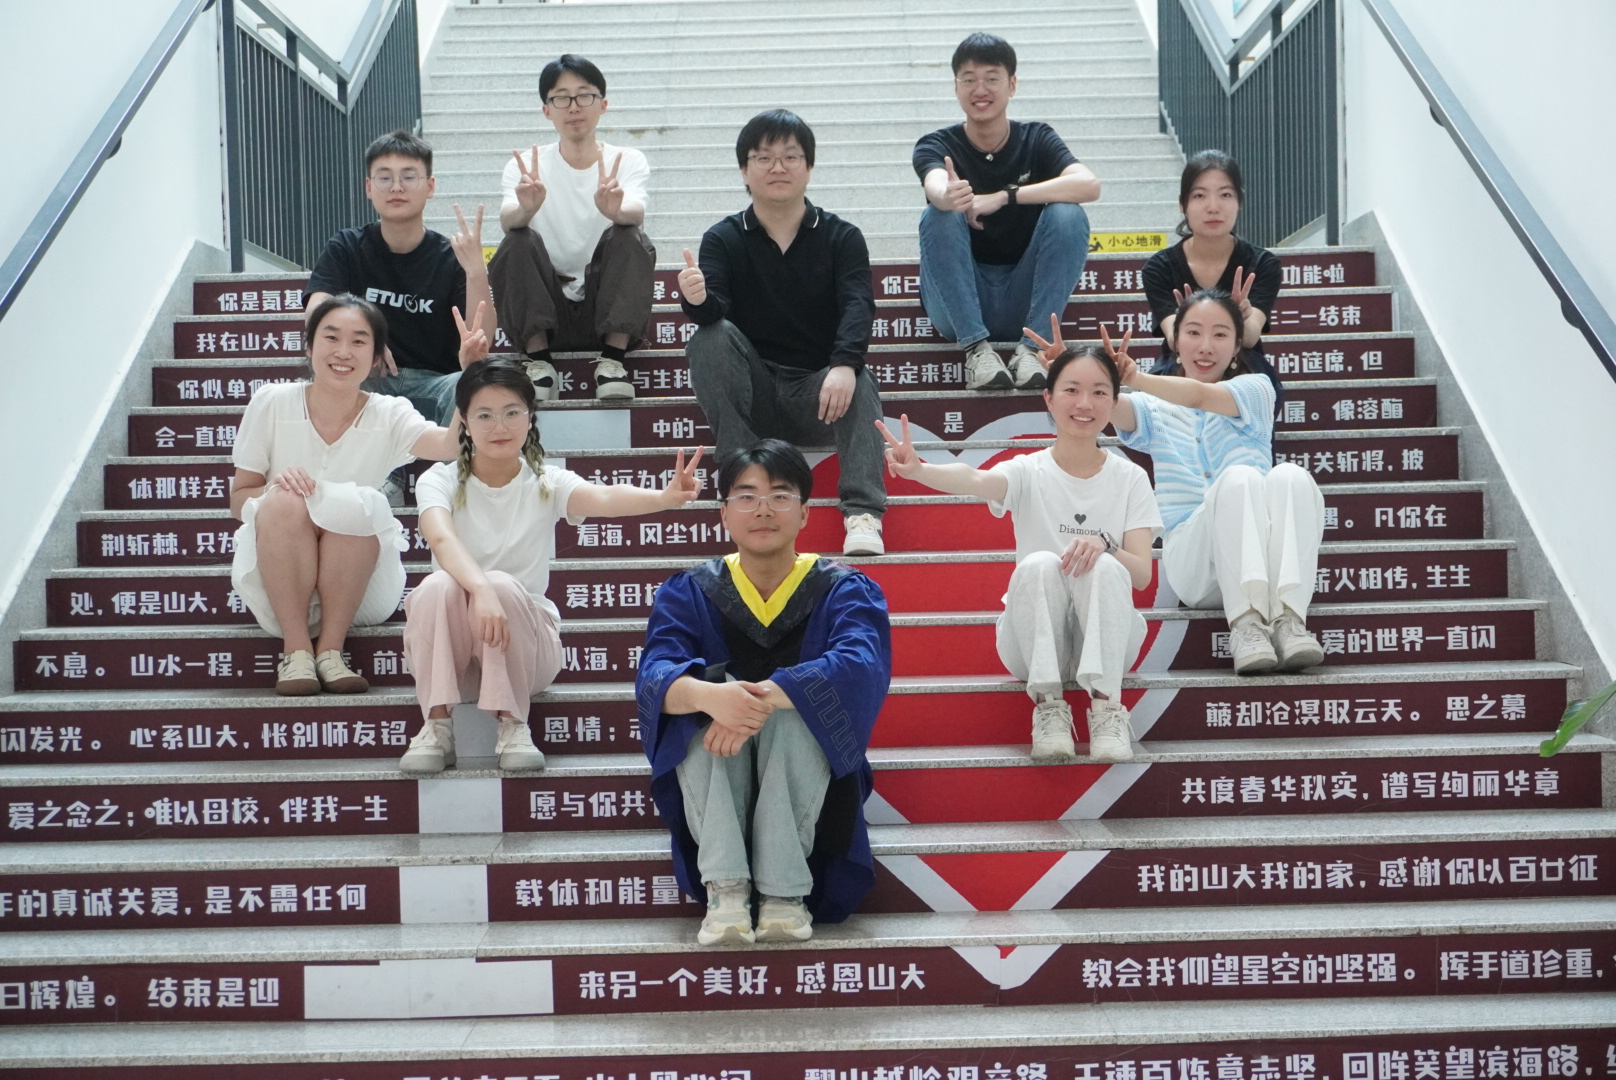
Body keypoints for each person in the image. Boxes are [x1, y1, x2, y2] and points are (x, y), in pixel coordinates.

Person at [637, 440, 892, 945]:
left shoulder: (842, 588)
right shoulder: (690, 590)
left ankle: (783, 893)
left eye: (779, 496)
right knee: (697, 706)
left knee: (801, 705)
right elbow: (655, 675)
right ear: (724, 513)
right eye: (746, 496)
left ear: (804, 513)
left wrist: (765, 698)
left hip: (810, 782)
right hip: (715, 769)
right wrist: (712, 699)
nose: (763, 510)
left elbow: (861, 664)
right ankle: (726, 889)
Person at [399, 359, 704, 773]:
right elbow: (440, 538)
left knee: (503, 586)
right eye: (484, 416)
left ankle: (513, 725)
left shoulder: (546, 480)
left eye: (511, 412)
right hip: (451, 660)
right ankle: (436, 727)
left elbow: (604, 497)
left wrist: (663, 498)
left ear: (530, 417)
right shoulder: (439, 479)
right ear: (465, 423)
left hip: (525, 653)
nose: (499, 426)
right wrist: (481, 590)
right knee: (438, 586)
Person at [877, 347, 1159, 763]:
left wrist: (1106, 544)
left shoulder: (1131, 478)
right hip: (1031, 642)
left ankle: (1107, 711)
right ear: (1048, 398)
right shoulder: (1027, 469)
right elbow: (975, 479)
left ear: (1114, 402)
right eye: (1072, 390)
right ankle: (1049, 710)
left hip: (1109, 639)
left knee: (1103, 565)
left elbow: (1141, 576)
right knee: (1041, 563)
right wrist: (920, 470)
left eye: (1100, 392)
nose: (1085, 403)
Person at [1056, 291, 1325, 675]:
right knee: (1239, 478)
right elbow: (1104, 407)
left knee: (1291, 475)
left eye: (1220, 334)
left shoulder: (1257, 390)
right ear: (1175, 342)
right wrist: (1074, 377)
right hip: (1196, 565)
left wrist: (1136, 378)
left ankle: (1289, 622)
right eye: (1194, 332)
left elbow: (1198, 396)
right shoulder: (1153, 407)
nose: (1205, 346)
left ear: (1237, 347)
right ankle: (1246, 626)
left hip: (1263, 564)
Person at [229, 294, 483, 696]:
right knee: (283, 499)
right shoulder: (272, 402)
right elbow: (239, 498)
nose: (343, 352)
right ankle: (296, 652)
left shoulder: (389, 412)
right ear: (309, 346)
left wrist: (470, 375)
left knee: (358, 504)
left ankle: (332, 651)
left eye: (359, 341)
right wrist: (277, 487)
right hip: (279, 587)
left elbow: (450, 445)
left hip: (362, 589)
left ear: (377, 356)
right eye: (331, 337)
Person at [680, 109, 887, 557]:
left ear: (808, 167)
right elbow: (715, 313)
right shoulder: (723, 238)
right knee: (708, 338)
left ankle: (863, 513)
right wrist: (696, 299)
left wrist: (844, 365)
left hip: (817, 394)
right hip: (752, 392)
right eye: (764, 157)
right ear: (744, 170)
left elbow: (858, 305)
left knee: (859, 376)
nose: (777, 167)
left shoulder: (841, 237)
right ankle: (740, 480)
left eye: (790, 157)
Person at [912, 33, 1100, 392]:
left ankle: (1032, 350)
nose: (980, 89)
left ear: (1012, 84)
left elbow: (1089, 184)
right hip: (957, 308)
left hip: (1025, 302)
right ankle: (976, 351)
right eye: (969, 79)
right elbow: (935, 183)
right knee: (939, 214)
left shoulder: (1036, 138)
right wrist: (948, 195)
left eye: (991, 78)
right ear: (955, 87)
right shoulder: (936, 144)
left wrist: (1004, 197)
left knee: (1068, 214)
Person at [306, 131, 498, 441]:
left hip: (437, 384)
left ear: (430, 186)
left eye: (409, 177)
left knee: (472, 385)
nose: (396, 187)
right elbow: (317, 310)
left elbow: (483, 337)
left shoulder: (451, 257)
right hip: (369, 379)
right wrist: (362, 340)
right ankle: (362, 467)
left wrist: (476, 273)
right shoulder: (347, 246)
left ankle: (451, 469)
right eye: (385, 178)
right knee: (336, 371)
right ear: (369, 187)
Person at [490, 54, 655, 402]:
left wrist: (617, 211)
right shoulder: (526, 166)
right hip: (548, 309)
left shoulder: (627, 160)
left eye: (584, 95)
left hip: (604, 307)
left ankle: (612, 362)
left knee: (628, 234)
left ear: (603, 104)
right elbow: (507, 220)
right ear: (546, 110)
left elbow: (636, 211)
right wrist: (527, 209)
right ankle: (539, 364)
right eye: (561, 98)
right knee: (517, 239)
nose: (574, 106)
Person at [1141, 150, 1283, 396]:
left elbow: (1249, 338)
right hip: (1181, 365)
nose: (1213, 207)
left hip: (1242, 366)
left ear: (1239, 202)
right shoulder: (1159, 267)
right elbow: (1175, 339)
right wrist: (1189, 322)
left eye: (1225, 195)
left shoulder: (1262, 264)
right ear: (1183, 204)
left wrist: (1239, 320)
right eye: (1199, 195)